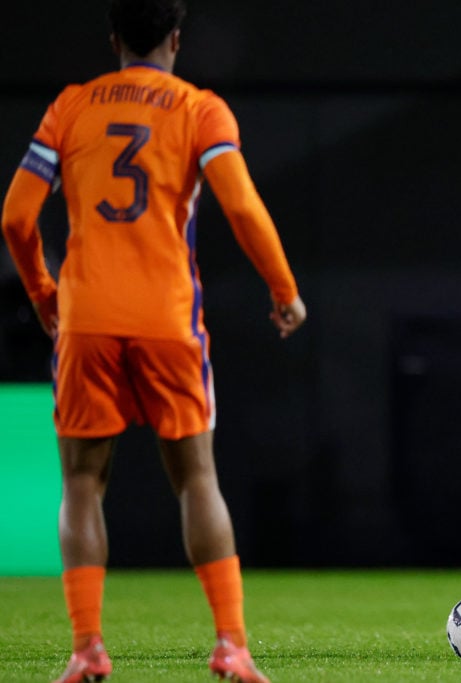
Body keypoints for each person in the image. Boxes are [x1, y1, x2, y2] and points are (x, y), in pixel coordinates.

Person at [0, 1, 306, 681]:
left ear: (113, 39)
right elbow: (241, 205)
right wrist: (283, 290)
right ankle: (230, 644)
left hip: (85, 319)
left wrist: (45, 292)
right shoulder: (200, 109)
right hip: (168, 318)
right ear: (176, 37)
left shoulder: (70, 107)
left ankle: (86, 650)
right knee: (197, 477)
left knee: (81, 483)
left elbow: (17, 215)